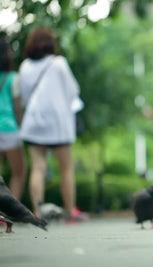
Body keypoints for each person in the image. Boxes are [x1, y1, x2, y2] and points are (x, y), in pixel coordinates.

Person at [18, 26, 86, 222]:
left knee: (38, 168)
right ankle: (70, 212)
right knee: (66, 168)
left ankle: (37, 214)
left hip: (35, 122)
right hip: (58, 123)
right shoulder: (59, 63)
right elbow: (73, 90)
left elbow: (23, 97)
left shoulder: (24, 66)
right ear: (51, 43)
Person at [0, 37, 27, 199]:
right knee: (19, 172)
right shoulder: (13, 78)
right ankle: (10, 213)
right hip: (10, 129)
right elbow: (17, 108)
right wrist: (23, 128)